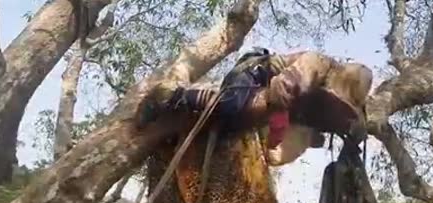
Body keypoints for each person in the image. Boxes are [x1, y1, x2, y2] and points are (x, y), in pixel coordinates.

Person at [136, 48, 371, 148]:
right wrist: (284, 85)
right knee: (232, 106)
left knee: (229, 135)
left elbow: (356, 124)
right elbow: (296, 76)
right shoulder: (320, 64)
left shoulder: (347, 106)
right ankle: (173, 96)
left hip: (275, 109)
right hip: (257, 74)